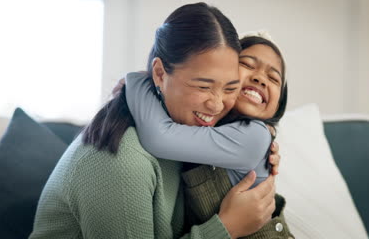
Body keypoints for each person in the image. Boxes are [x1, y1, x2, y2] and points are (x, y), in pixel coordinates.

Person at [30, 2, 281, 239]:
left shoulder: (186, 132)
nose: (216, 105)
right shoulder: (121, 161)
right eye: (204, 86)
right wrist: (226, 228)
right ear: (160, 73)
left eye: (229, 89)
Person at [124, 30, 293, 238]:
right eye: (247, 65)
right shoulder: (207, 126)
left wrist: (138, 81)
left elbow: (159, 137)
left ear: (278, 105)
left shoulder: (254, 136)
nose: (260, 78)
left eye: (274, 78)